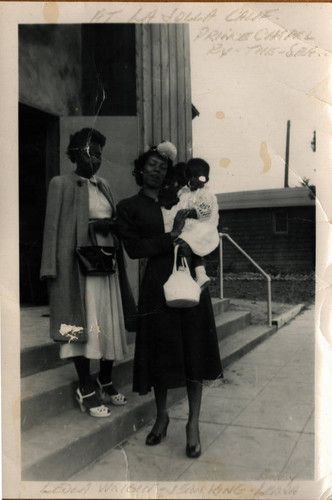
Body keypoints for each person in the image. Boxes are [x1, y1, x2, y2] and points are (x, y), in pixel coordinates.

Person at [117, 142, 223, 458]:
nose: (158, 169)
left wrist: (194, 242)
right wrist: (172, 235)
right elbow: (135, 248)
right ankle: (162, 416)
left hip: (189, 276)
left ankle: (193, 423)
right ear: (139, 169)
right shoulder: (129, 207)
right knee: (161, 350)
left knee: (194, 347)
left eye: (162, 166)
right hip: (157, 283)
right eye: (151, 164)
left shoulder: (176, 197)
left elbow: (206, 224)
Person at [40, 128, 135, 418]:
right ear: (74, 153)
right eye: (89, 152)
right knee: (81, 321)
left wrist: (111, 229)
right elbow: (52, 229)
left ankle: (105, 379)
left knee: (105, 319)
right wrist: (51, 270)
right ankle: (85, 386)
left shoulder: (103, 184)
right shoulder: (61, 183)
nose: (95, 158)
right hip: (76, 266)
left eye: (99, 154)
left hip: (105, 262)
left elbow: (114, 219)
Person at [161, 157, 220, 289]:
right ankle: (200, 275)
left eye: (198, 177)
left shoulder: (206, 194)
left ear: (205, 179)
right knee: (188, 246)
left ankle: (187, 275)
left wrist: (189, 212)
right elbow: (177, 203)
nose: (192, 180)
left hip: (201, 227)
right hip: (189, 227)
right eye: (190, 177)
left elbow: (205, 212)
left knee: (186, 245)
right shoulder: (185, 193)